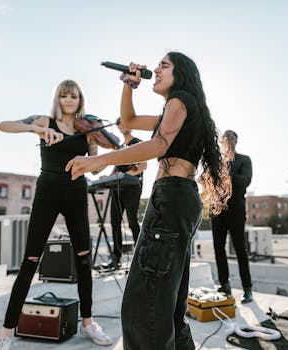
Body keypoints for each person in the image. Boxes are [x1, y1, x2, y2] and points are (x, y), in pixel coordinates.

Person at [66, 52, 232, 350]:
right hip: (179, 198)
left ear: (180, 74)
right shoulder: (180, 109)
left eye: (164, 66)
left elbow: (158, 145)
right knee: (168, 307)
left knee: (145, 307)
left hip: (171, 198)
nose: (155, 69)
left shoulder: (179, 100)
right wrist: (129, 85)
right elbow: (127, 122)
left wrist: (97, 161)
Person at [0, 80, 112, 350]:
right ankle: (6, 332)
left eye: (74, 96)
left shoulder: (87, 129)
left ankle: (88, 323)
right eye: (64, 96)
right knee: (30, 259)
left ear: (80, 99)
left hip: (76, 193)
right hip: (48, 191)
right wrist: (36, 129)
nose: (69, 100)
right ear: (58, 99)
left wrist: (95, 152)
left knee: (84, 259)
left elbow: (92, 169)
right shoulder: (45, 120)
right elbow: (4, 125)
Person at [211, 130, 254, 304]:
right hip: (217, 208)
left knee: (239, 249)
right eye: (225, 137)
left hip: (236, 208)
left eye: (231, 137)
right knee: (218, 248)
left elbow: (245, 181)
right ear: (221, 141)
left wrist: (226, 173)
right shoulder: (216, 161)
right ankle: (224, 285)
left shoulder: (244, 159)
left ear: (236, 140)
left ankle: (247, 289)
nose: (228, 139)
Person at [105, 117, 147, 269]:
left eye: (125, 122)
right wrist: (108, 177)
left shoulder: (138, 142)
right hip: (117, 187)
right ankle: (116, 258)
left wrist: (126, 175)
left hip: (132, 186)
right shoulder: (118, 146)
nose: (122, 126)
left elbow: (142, 166)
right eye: (120, 124)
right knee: (114, 222)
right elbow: (116, 168)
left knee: (132, 221)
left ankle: (139, 255)